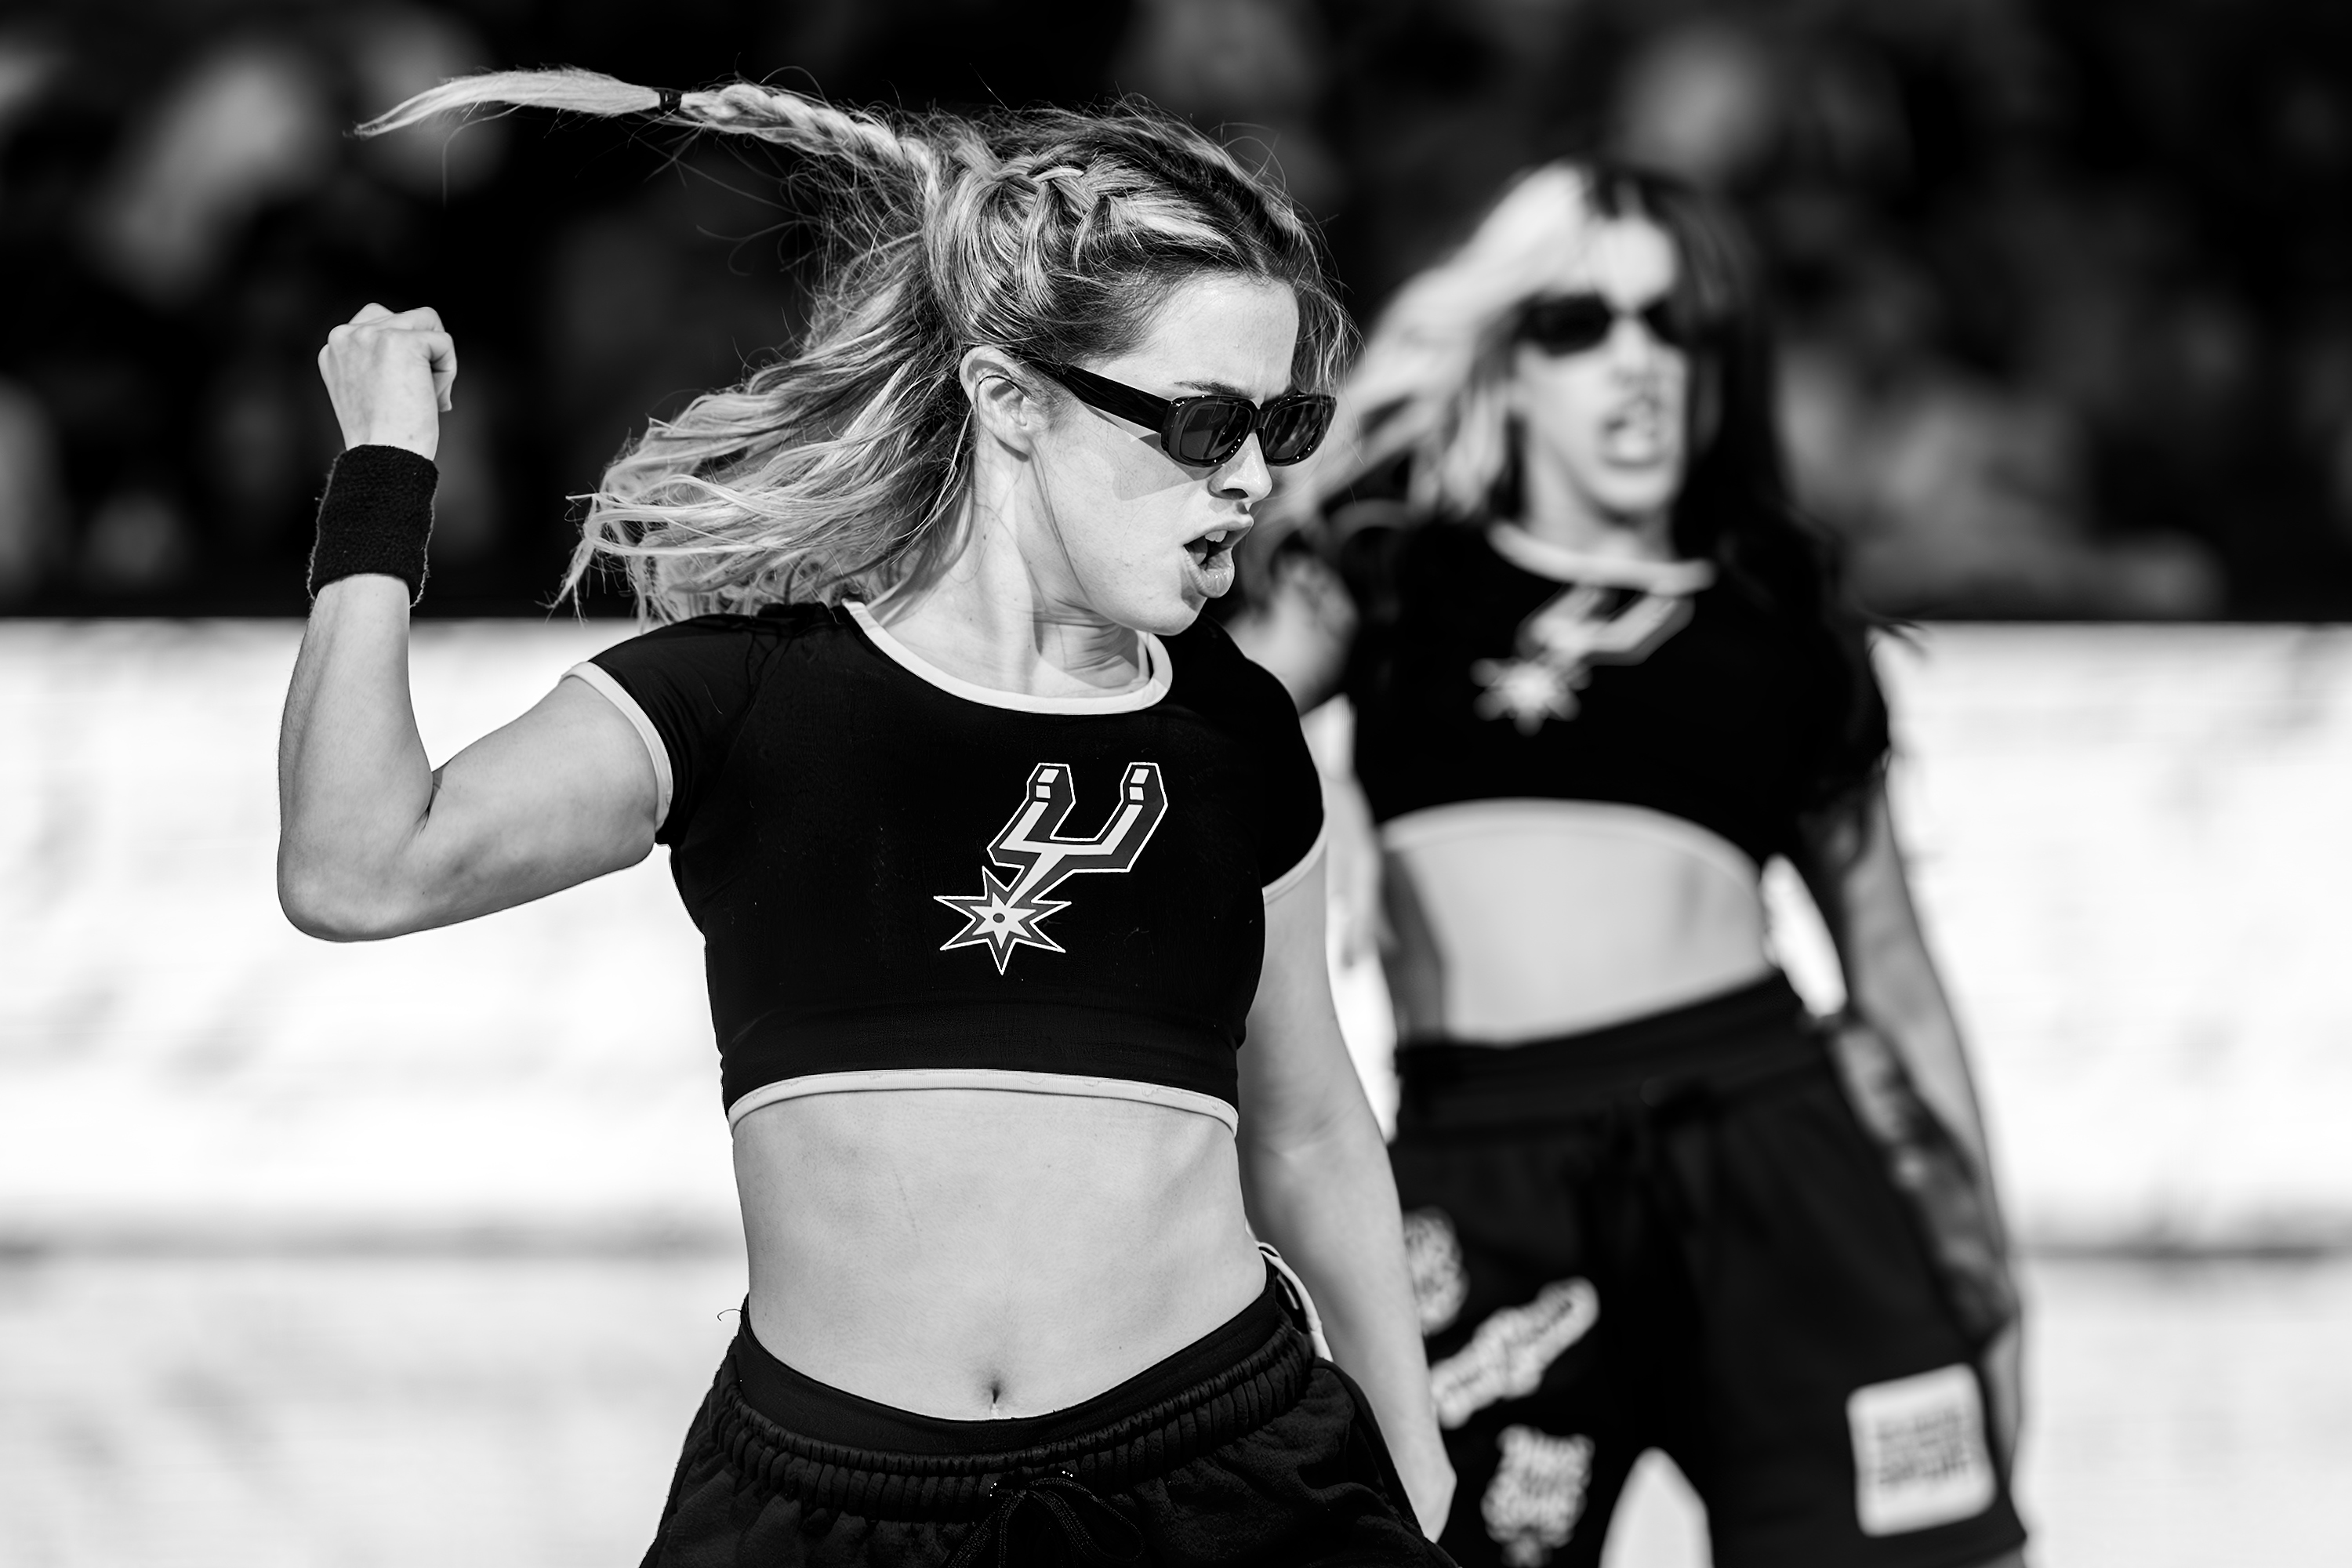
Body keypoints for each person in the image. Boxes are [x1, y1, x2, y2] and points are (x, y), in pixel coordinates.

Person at [276, 69, 1454, 1566]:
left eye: (1284, 423)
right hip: (825, 1509)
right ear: (1009, 399)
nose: (1252, 479)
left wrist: (1414, 1449)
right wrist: (383, 477)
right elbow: (356, 869)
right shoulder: (743, 697)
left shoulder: (1237, 733)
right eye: (1206, 422)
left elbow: (1310, 1124)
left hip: (1234, 1485)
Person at [1232, 162, 2028, 1568]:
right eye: (1578, 324)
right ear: (1504, 359)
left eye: (1679, 324)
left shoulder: (1788, 623)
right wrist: (1303, 784)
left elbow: (1894, 970)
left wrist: (1989, 1280)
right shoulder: (1386, 575)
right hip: (1491, 1175)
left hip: (1774, 1148)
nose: (1638, 361)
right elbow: (1193, 727)